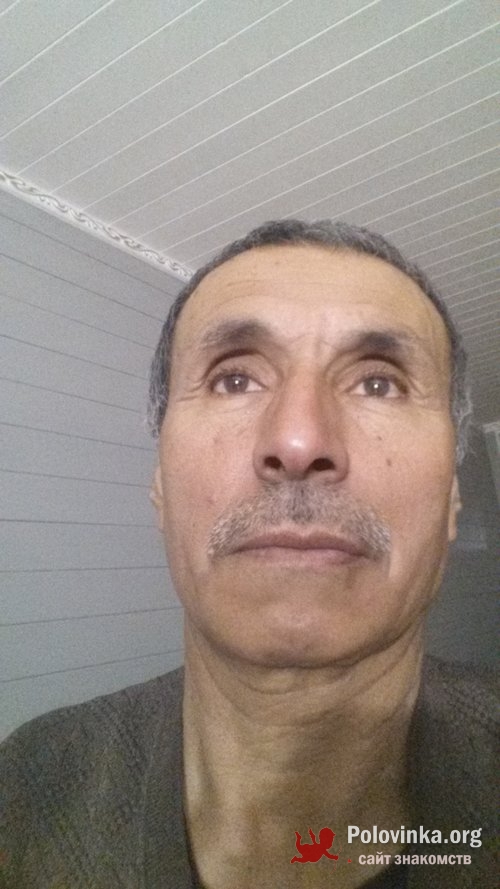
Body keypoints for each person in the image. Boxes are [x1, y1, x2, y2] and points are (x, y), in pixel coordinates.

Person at [0, 219, 497, 889]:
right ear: (161, 489)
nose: (298, 441)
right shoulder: (26, 788)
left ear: (452, 502)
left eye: (379, 384)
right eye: (234, 379)